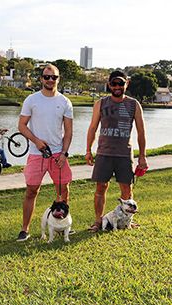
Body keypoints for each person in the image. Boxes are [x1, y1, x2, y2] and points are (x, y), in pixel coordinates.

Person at [16, 64, 73, 242]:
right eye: (46, 77)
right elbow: (22, 126)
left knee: (63, 190)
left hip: (58, 155)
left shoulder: (65, 102)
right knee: (32, 191)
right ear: (41, 78)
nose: (50, 80)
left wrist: (64, 153)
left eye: (53, 77)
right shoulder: (31, 100)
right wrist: (37, 142)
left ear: (58, 79)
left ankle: (63, 224)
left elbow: (69, 131)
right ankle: (24, 229)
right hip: (36, 153)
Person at [85, 70, 148, 232]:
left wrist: (142, 157)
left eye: (121, 83)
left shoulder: (134, 104)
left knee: (127, 189)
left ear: (127, 84)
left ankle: (127, 222)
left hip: (124, 154)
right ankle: (98, 222)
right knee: (101, 188)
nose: (117, 86)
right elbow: (92, 128)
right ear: (109, 85)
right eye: (114, 83)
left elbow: (141, 132)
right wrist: (88, 150)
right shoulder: (101, 103)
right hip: (104, 153)